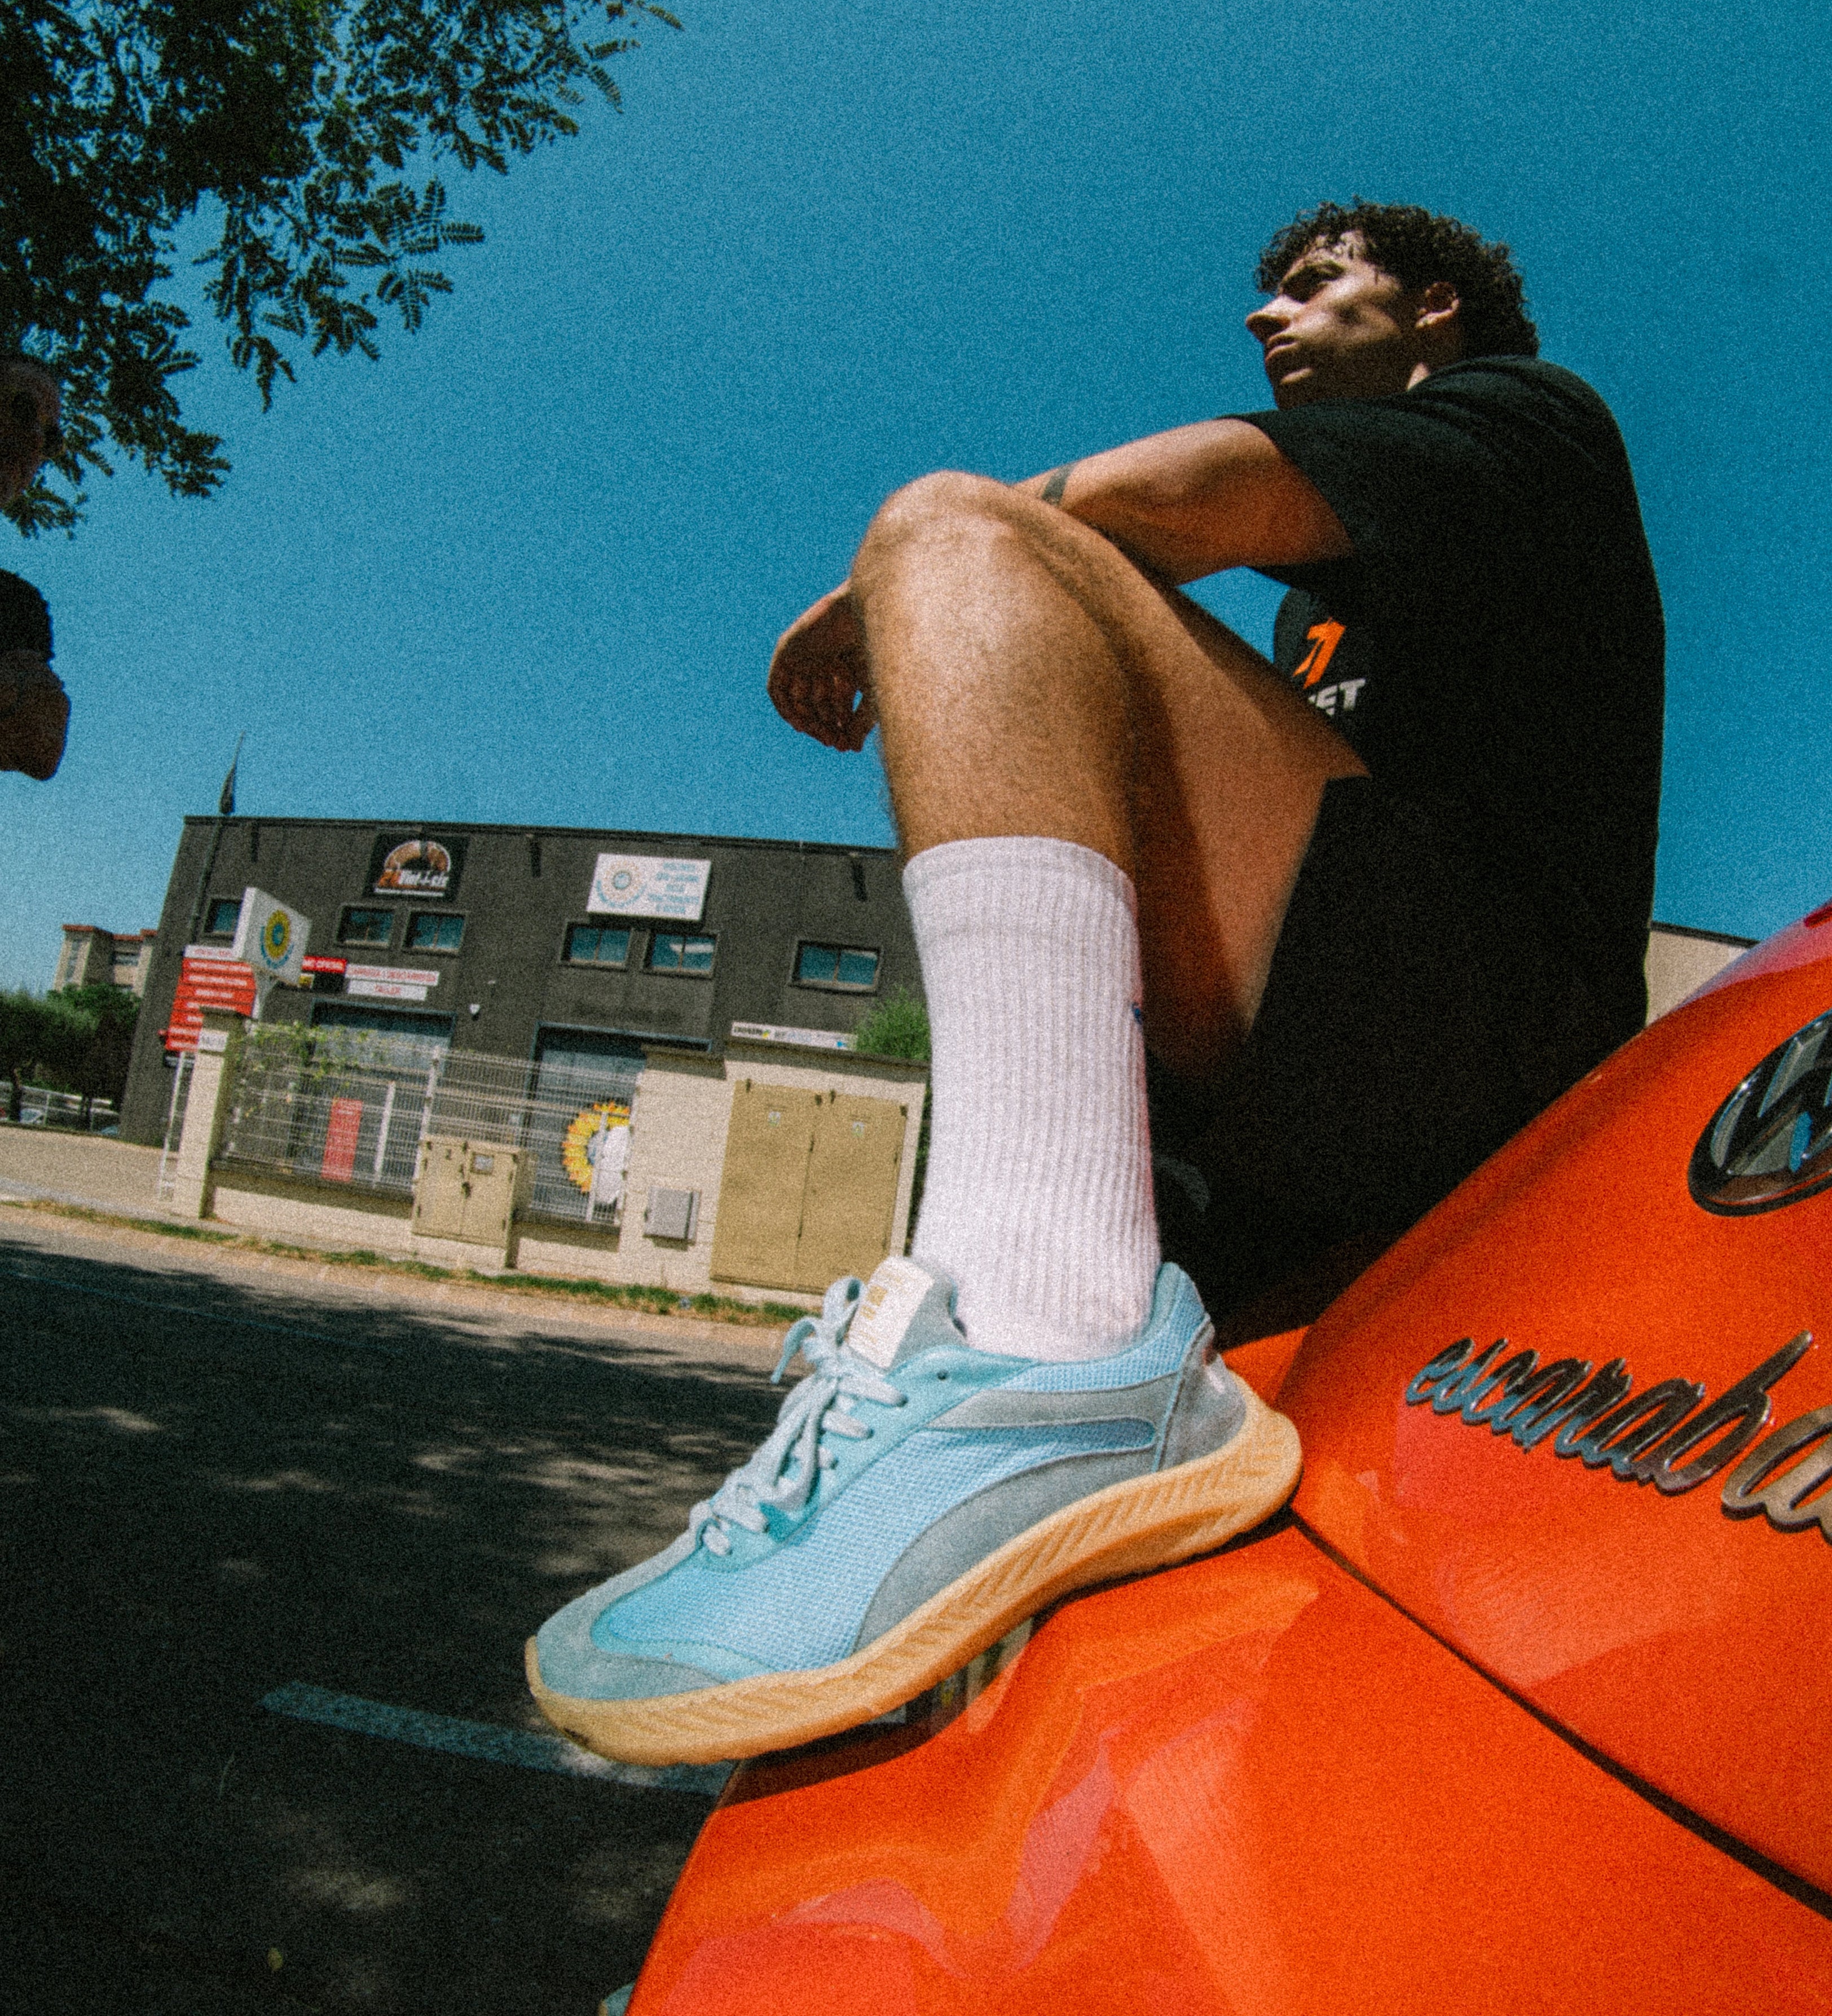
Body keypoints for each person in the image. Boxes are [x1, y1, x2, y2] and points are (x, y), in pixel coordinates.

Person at [527, 201, 1662, 1766]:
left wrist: (901, 585)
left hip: (1497, 1065)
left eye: (1318, 285)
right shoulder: (1308, 621)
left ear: (1438, 311)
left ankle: (1052, 1334)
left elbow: (1170, 497)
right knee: (1042, 1685)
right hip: (1298, 1137)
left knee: (958, 530)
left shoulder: (1528, 423)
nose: (1268, 316)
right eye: (1265, 293)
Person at [1, 356, 70, 780]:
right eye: (24, 410)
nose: (34, 438)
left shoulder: (15, 604)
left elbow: (41, 737)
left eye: (51, 436)